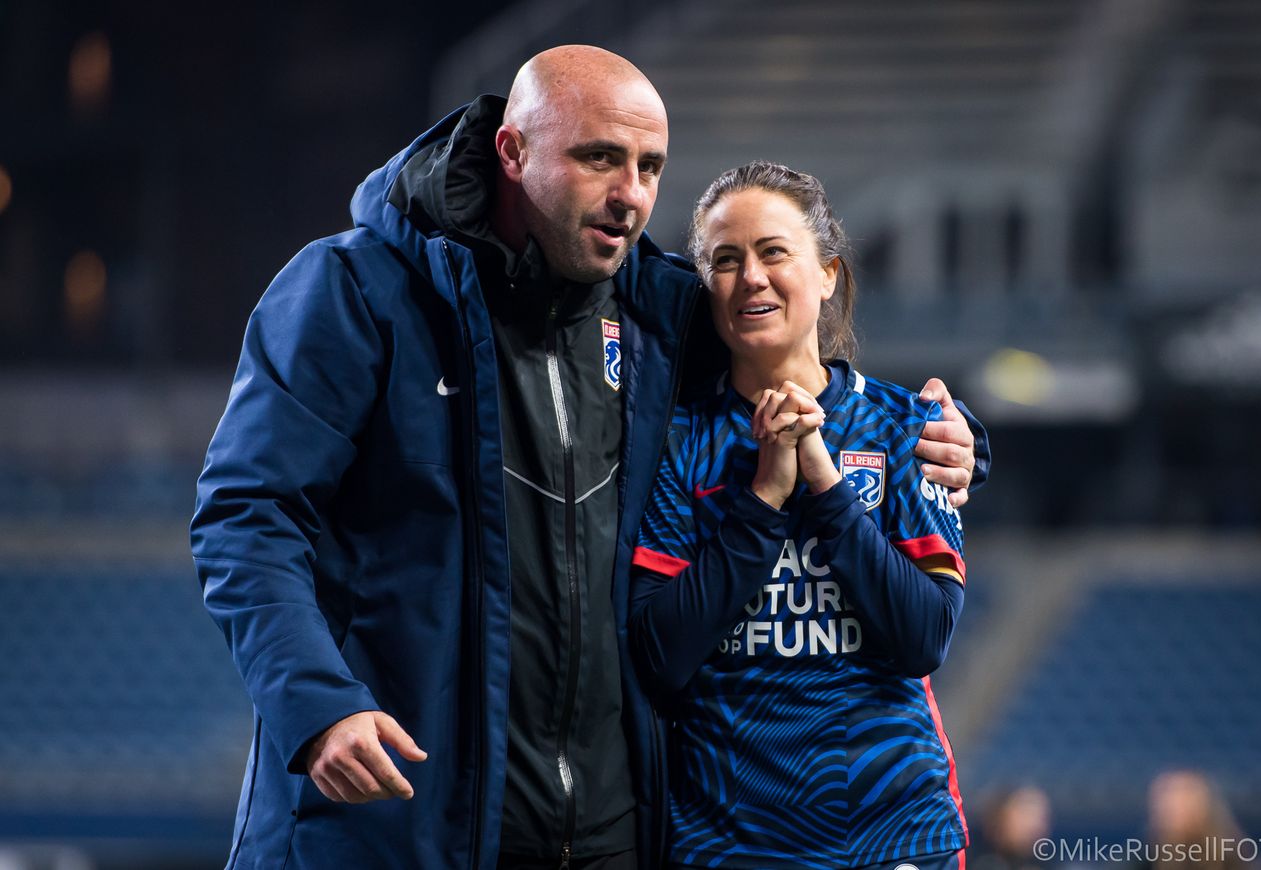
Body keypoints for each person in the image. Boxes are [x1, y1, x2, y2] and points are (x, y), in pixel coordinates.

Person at [190, 47, 987, 869]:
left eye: (649, 167)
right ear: (513, 151)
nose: (631, 195)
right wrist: (317, 704)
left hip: (603, 835)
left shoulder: (655, 309)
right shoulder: (356, 290)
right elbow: (246, 517)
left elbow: (805, 367)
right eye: (599, 158)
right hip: (405, 820)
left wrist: (953, 436)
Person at [630, 161, 972, 869]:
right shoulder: (674, 443)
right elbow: (662, 655)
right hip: (729, 844)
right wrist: (761, 500)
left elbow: (924, 637)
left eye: (773, 252)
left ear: (827, 274)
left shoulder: (909, 430)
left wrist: (822, 483)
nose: (749, 276)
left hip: (895, 838)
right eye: (724, 260)